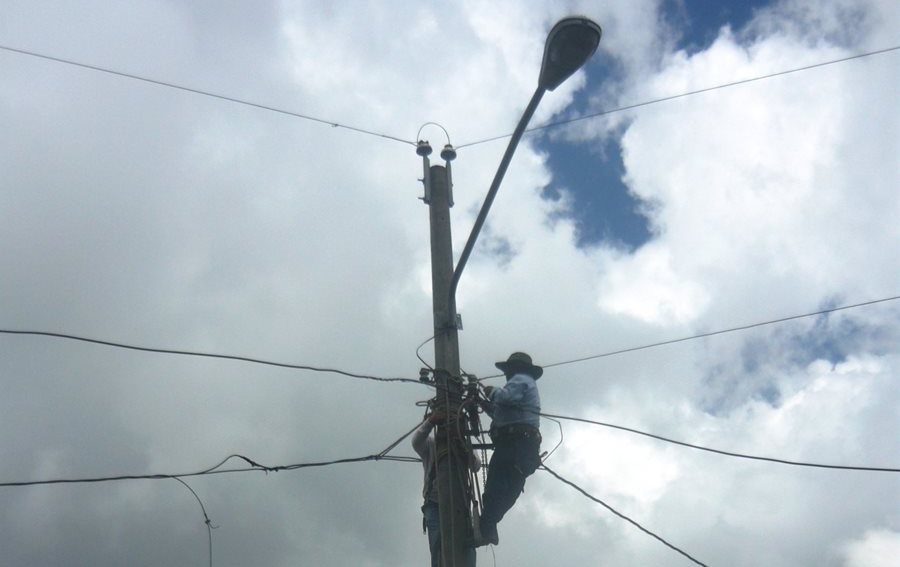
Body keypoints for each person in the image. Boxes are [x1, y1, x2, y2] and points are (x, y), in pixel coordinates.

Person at [475, 352, 542, 547]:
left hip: (513, 445)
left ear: (512, 370)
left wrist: (489, 391)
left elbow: (505, 397)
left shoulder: (521, 379)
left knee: (496, 486)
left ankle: (487, 525)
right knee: (509, 490)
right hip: (525, 448)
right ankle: (489, 526)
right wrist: (484, 404)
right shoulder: (525, 387)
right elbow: (500, 412)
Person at [412, 408, 479, 567]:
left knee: (467, 546)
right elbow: (416, 441)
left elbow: (476, 465)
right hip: (434, 503)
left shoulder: (464, 443)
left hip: (460, 504)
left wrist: (461, 444)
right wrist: (431, 421)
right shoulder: (430, 444)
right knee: (437, 544)